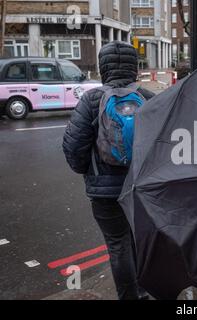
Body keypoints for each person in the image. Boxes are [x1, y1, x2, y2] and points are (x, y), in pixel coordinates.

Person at [62, 41, 154, 300]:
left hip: (105, 193)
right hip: (141, 189)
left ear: (103, 68)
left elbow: (73, 148)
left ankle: (129, 296)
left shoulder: (92, 100)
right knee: (139, 241)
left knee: (118, 245)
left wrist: (89, 172)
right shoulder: (147, 98)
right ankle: (144, 292)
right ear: (135, 68)